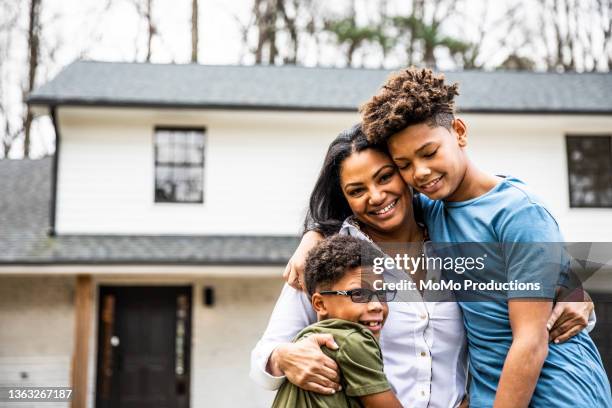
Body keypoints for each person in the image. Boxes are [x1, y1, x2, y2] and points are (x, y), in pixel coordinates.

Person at [251, 124, 593, 408]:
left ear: (403, 172)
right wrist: (285, 357)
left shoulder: (452, 232)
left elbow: (532, 265)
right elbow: (265, 354)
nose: (376, 196)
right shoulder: (330, 259)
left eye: (385, 177)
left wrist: (575, 290)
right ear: (346, 199)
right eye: (357, 190)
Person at [356, 66, 611, 407]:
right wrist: (312, 237)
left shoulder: (518, 213)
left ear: (459, 132)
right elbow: (362, 205)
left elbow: (530, 342)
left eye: (429, 153)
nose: (420, 172)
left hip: (559, 394)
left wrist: (576, 292)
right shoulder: (431, 209)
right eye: (404, 164)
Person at [272, 234, 402, 408]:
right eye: (358, 294)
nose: (376, 305)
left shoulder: (305, 341)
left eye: (382, 293)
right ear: (319, 303)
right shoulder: (352, 340)